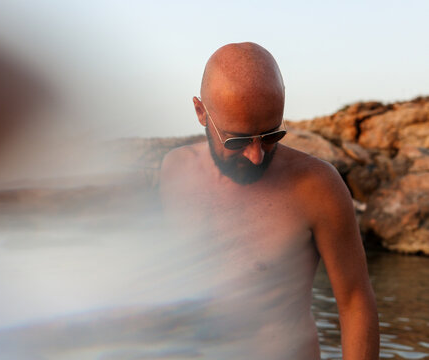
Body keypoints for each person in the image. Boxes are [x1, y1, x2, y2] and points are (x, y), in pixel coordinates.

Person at [160, 42, 379, 360]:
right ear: (201, 112)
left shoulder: (317, 186)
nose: (256, 154)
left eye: (271, 135)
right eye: (237, 140)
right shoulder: (174, 170)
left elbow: (355, 301)